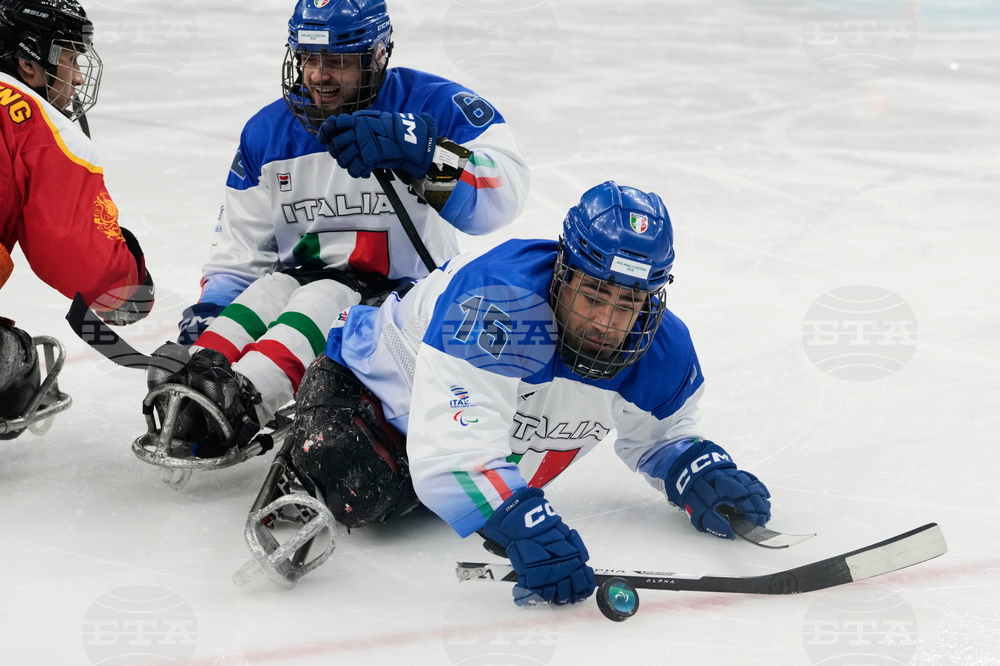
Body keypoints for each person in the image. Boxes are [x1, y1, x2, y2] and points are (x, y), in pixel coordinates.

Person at [247, 181, 772, 606]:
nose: (605, 322)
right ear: (564, 273)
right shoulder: (499, 305)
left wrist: (695, 470)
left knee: (421, 499)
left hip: (459, 453)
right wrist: (520, 521)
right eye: (592, 294)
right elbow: (452, 452)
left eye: (626, 302)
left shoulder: (661, 346)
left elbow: (661, 436)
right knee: (357, 482)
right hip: (368, 394)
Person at [148, 0, 529, 461]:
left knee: (322, 298)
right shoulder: (267, 132)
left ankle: (245, 397)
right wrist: (208, 325)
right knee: (273, 288)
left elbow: (501, 196)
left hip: (408, 307)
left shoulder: (431, 105)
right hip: (302, 287)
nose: (319, 75)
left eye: (339, 61)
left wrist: (424, 155)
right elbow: (239, 255)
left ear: (378, 55)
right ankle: (202, 376)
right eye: (309, 58)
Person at [0, 0, 154, 439]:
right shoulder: (33, 121)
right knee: (11, 359)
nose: (79, 74)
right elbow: (98, 276)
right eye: (70, 57)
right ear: (30, 64)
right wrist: (133, 275)